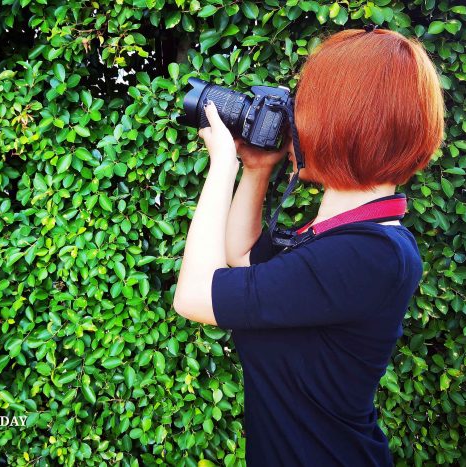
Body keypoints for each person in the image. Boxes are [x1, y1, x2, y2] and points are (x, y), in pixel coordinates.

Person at [173, 27, 444, 466]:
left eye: (305, 106)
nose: (295, 121)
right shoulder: (350, 237)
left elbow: (194, 296)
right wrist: (257, 169)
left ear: (343, 123)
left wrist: (221, 163)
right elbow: (242, 262)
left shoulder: (368, 254)